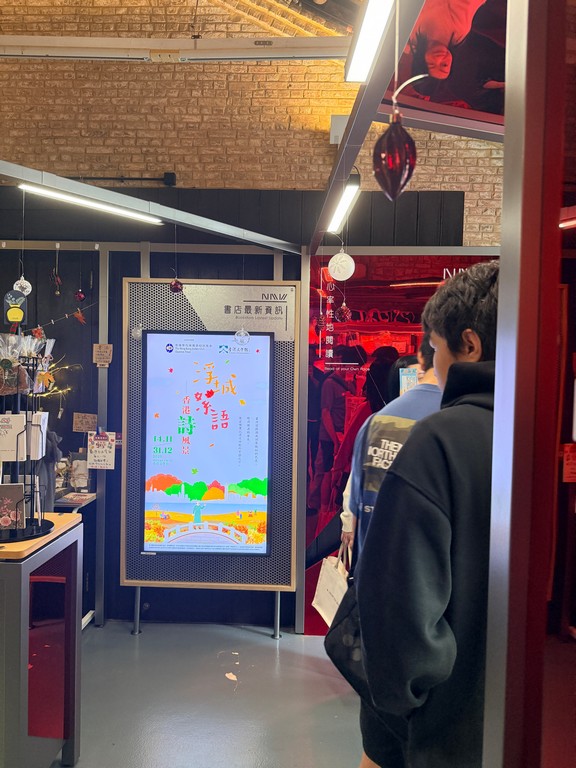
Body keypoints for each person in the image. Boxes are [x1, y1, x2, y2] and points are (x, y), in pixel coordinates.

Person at [355, 261, 499, 768]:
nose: (431, 361)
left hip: (448, 729)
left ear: (469, 345)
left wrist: (400, 706)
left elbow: (398, 604)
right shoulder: (546, 425)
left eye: (435, 347)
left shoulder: (439, 440)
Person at [341, 334, 442, 555]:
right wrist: (349, 521)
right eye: (411, 378)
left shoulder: (378, 420)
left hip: (389, 537)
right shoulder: (444, 420)